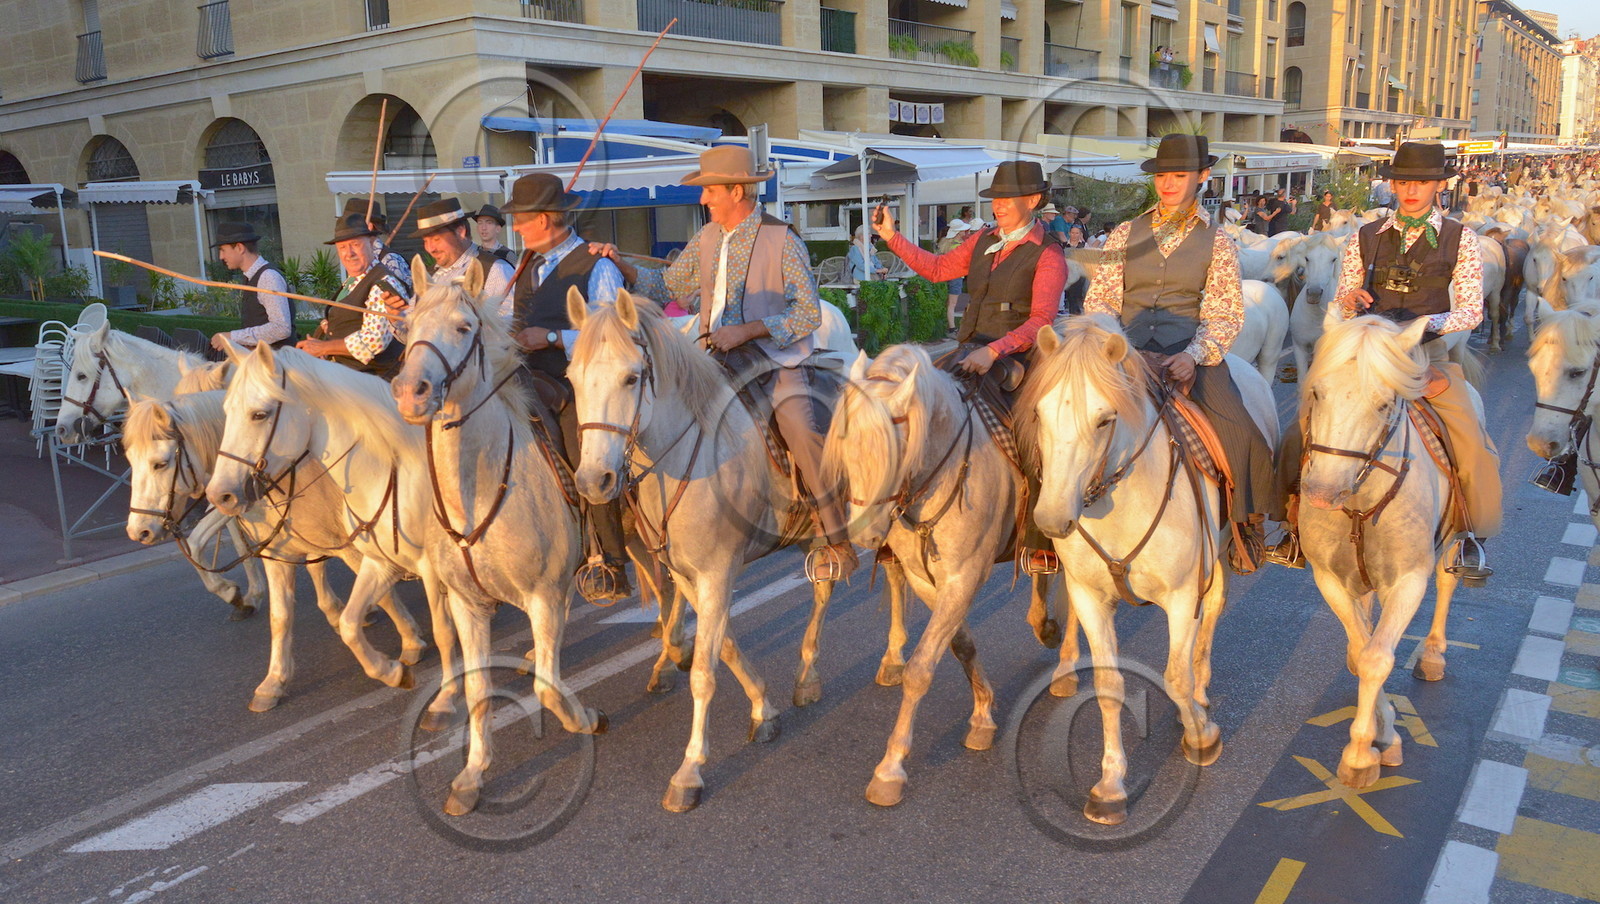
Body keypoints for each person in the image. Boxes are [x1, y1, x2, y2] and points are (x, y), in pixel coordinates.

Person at [1267, 142, 1501, 581]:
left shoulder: (1461, 238)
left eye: (1422, 183)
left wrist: (1422, 323)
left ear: (1437, 187)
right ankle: (1290, 526)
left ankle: (1470, 534)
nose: (1412, 190)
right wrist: (1350, 298)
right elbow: (1343, 294)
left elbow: (1471, 310)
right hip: (1365, 355)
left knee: (1470, 440)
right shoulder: (1365, 236)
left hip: (1423, 356)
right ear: (1393, 184)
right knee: (1300, 430)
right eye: (1404, 181)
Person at [625, 145, 858, 583]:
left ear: (736, 190)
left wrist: (747, 330)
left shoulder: (781, 238)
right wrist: (621, 263)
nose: (703, 200)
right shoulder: (709, 237)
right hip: (716, 356)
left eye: (710, 191)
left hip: (774, 359)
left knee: (802, 429)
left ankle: (835, 534)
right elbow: (669, 284)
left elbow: (807, 313)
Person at [1082, 134, 1277, 570]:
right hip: (1125, 354)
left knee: (1241, 431)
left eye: (1180, 176)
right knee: (1061, 420)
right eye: (1163, 176)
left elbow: (1225, 313)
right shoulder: (1123, 233)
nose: (1169, 184)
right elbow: (1101, 301)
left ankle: (1246, 525)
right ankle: (1046, 532)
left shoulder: (1219, 242)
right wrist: (1122, 350)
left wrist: (1194, 355)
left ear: (1202, 177)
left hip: (1186, 353)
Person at [874, 160, 1068, 573]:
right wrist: (892, 236)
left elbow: (1041, 321)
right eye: (995, 199)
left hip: (1019, 355)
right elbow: (940, 269)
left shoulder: (1049, 253)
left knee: (1038, 437)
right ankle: (896, 521)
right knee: (915, 408)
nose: (998, 206)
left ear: (1032, 200)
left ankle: (1040, 544)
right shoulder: (982, 240)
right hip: (968, 348)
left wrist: (995, 351)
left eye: (1007, 199)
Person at [499, 172, 633, 600]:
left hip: (580, 379)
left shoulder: (599, 266)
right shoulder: (528, 266)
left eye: (520, 219)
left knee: (586, 454)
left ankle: (610, 560)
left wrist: (554, 338)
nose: (515, 227)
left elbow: (613, 334)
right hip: (525, 373)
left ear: (543, 219)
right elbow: (510, 320)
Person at [296, 213, 411, 374]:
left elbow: (374, 341)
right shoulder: (353, 280)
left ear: (371, 244)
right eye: (342, 247)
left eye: (355, 244)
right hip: (344, 374)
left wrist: (323, 347)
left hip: (373, 382)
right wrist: (324, 341)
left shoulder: (383, 283)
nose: (349, 253)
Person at [407, 198, 515, 314]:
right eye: (426, 241)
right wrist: (396, 317)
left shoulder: (494, 270)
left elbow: (506, 326)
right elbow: (412, 325)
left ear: (460, 232)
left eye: (436, 239)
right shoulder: (431, 276)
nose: (430, 248)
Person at [209, 222, 293, 352]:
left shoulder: (268, 277)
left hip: (276, 365)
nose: (221, 257)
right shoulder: (251, 276)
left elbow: (281, 328)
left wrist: (232, 336)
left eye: (223, 250)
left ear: (240, 248)